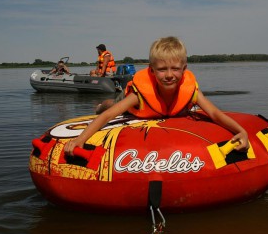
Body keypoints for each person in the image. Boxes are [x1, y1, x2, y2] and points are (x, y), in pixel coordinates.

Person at [64, 36, 249, 155]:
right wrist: (81, 139)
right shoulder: (140, 94)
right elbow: (108, 116)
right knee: (110, 106)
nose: (169, 75)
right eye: (162, 70)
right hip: (133, 105)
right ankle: (100, 103)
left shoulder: (190, 90)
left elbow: (215, 114)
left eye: (175, 69)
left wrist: (242, 131)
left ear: (184, 69)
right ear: (152, 71)